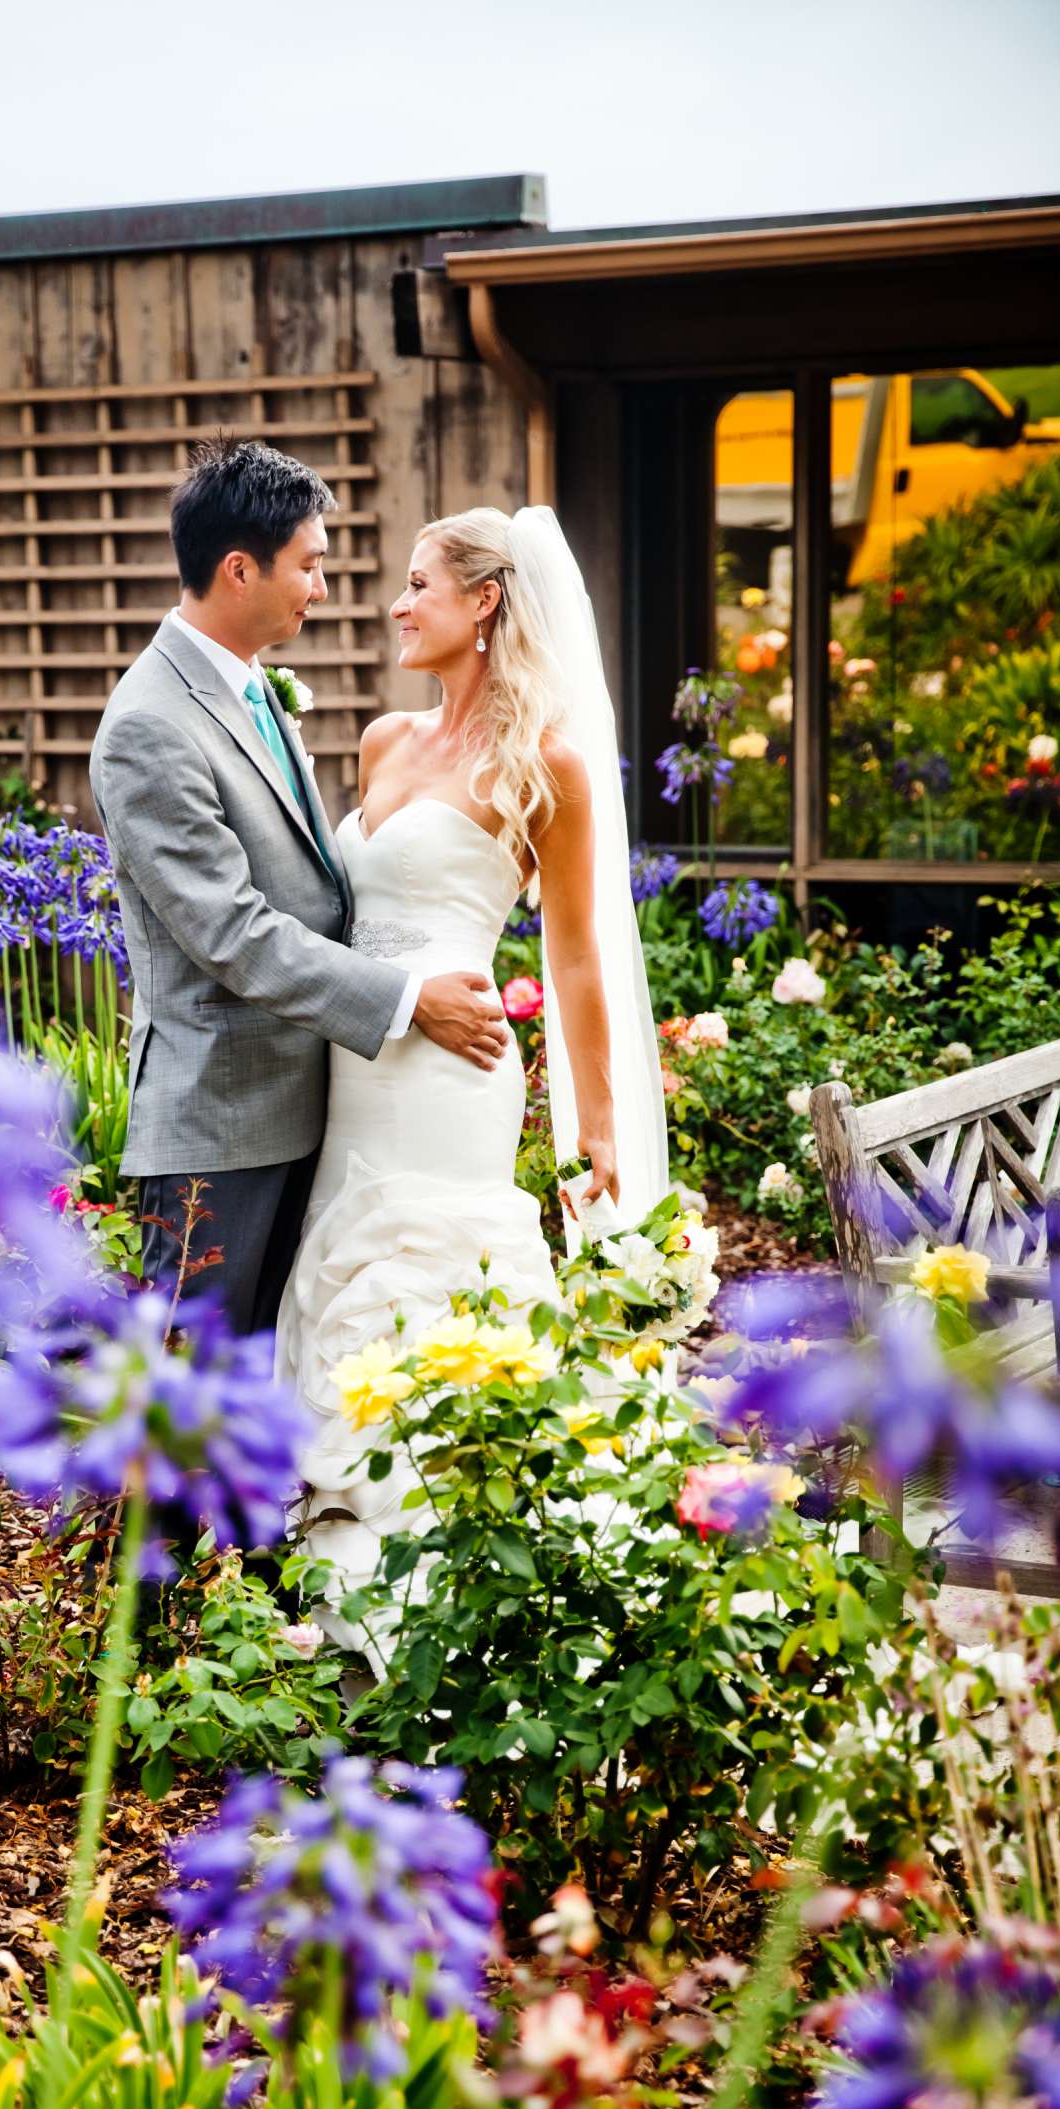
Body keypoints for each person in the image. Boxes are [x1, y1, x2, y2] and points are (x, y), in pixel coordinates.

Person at [274, 505, 669, 1636]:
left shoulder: (544, 761)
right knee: (339, 1290)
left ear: (482, 600)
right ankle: (342, 1591)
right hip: (357, 1066)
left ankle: (443, 1611)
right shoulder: (383, 744)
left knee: (427, 1304)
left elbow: (581, 954)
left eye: (416, 585)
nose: (395, 605)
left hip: (456, 1076)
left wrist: (595, 1126)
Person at [89, 439, 509, 1338]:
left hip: (317, 1106)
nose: (322, 587)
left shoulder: (256, 692)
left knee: (271, 1393)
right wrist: (406, 1001)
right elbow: (232, 931)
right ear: (240, 569)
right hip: (222, 1121)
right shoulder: (148, 726)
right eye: (310, 565)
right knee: (195, 1408)